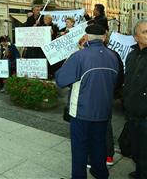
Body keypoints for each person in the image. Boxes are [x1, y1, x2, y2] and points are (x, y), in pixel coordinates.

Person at [55, 24, 122, 179]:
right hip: (104, 111)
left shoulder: (79, 56)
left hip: (81, 111)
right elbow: (117, 82)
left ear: (86, 37)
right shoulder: (113, 56)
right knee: (99, 145)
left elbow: (61, 79)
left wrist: (69, 60)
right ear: (104, 38)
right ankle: (100, 173)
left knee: (79, 148)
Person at [123, 19, 147, 179]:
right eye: (145, 32)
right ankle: (139, 171)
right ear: (136, 37)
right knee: (136, 149)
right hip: (132, 112)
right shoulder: (131, 55)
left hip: (146, 114)